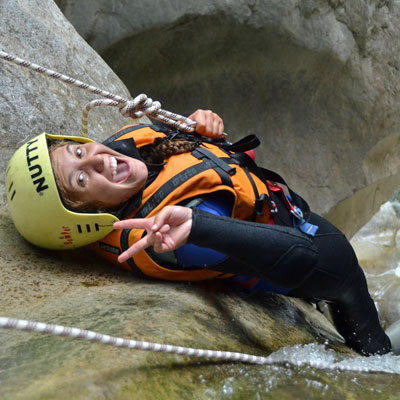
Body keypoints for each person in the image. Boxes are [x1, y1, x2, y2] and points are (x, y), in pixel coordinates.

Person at [6, 109, 398, 356]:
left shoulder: (120, 157)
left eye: (77, 151)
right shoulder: (169, 242)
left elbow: (174, 146)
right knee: (373, 340)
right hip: (321, 259)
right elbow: (303, 259)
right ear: (87, 218)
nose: (96, 159)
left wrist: (201, 125)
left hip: (283, 211)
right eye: (80, 178)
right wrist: (200, 228)